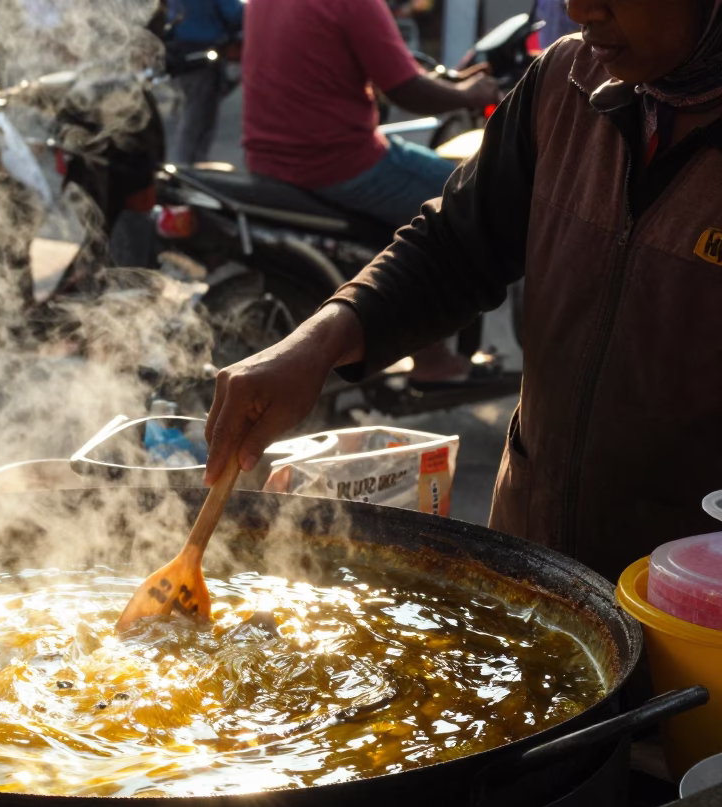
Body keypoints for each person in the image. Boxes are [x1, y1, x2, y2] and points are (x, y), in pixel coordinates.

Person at [205, 0, 722, 583]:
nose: (578, 10)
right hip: (532, 558)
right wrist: (316, 343)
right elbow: (455, 246)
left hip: (690, 598)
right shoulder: (563, 82)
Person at [243, 0, 502, 384]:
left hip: (269, 157)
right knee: (464, 195)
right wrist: (470, 94)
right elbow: (406, 90)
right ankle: (433, 358)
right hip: (338, 161)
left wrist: (452, 84)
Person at [164, 0, 244, 165]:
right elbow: (235, 15)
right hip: (205, 54)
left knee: (194, 112)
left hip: (181, 54)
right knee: (198, 118)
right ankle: (189, 166)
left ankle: (190, 163)